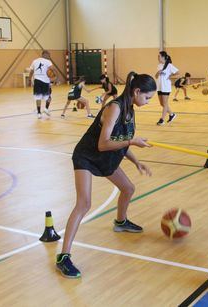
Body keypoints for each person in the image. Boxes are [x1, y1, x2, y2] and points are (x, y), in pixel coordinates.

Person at [56, 72, 156, 278]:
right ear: (137, 91)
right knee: (84, 203)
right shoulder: (115, 108)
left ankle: (120, 222)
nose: (147, 102)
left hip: (106, 158)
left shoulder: (130, 110)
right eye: (147, 98)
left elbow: (123, 138)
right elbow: (104, 144)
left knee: (128, 188)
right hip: (87, 156)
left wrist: (137, 162)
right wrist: (131, 142)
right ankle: (63, 257)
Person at [29, 50, 57, 119]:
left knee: (38, 97)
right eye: (49, 55)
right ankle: (46, 109)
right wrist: (56, 77)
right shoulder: (48, 62)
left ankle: (39, 113)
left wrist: (30, 79)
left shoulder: (34, 61)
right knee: (49, 96)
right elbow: (53, 69)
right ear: (45, 54)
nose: (49, 56)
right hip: (45, 82)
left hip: (37, 81)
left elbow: (31, 71)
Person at [156, 51, 178, 125]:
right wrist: (157, 73)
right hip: (159, 87)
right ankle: (172, 114)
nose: (158, 57)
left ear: (163, 57)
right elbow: (156, 76)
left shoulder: (169, 65)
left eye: (159, 56)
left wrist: (170, 76)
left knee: (165, 104)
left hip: (166, 87)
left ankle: (162, 120)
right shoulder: (159, 66)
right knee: (162, 103)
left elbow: (178, 73)